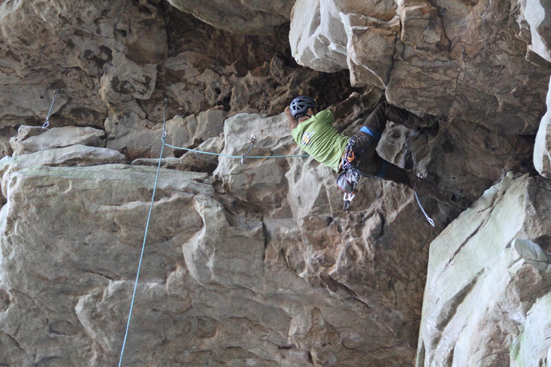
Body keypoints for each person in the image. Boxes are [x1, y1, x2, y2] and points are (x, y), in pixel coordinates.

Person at [285, 93, 458, 206]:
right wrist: (353, 97)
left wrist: (290, 113)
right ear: (309, 109)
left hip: (358, 169)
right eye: (313, 108)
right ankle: (425, 124)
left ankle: (451, 199)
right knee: (383, 109)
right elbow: (339, 109)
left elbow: (292, 120)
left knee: (408, 179)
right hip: (357, 148)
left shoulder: (298, 137)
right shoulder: (318, 119)